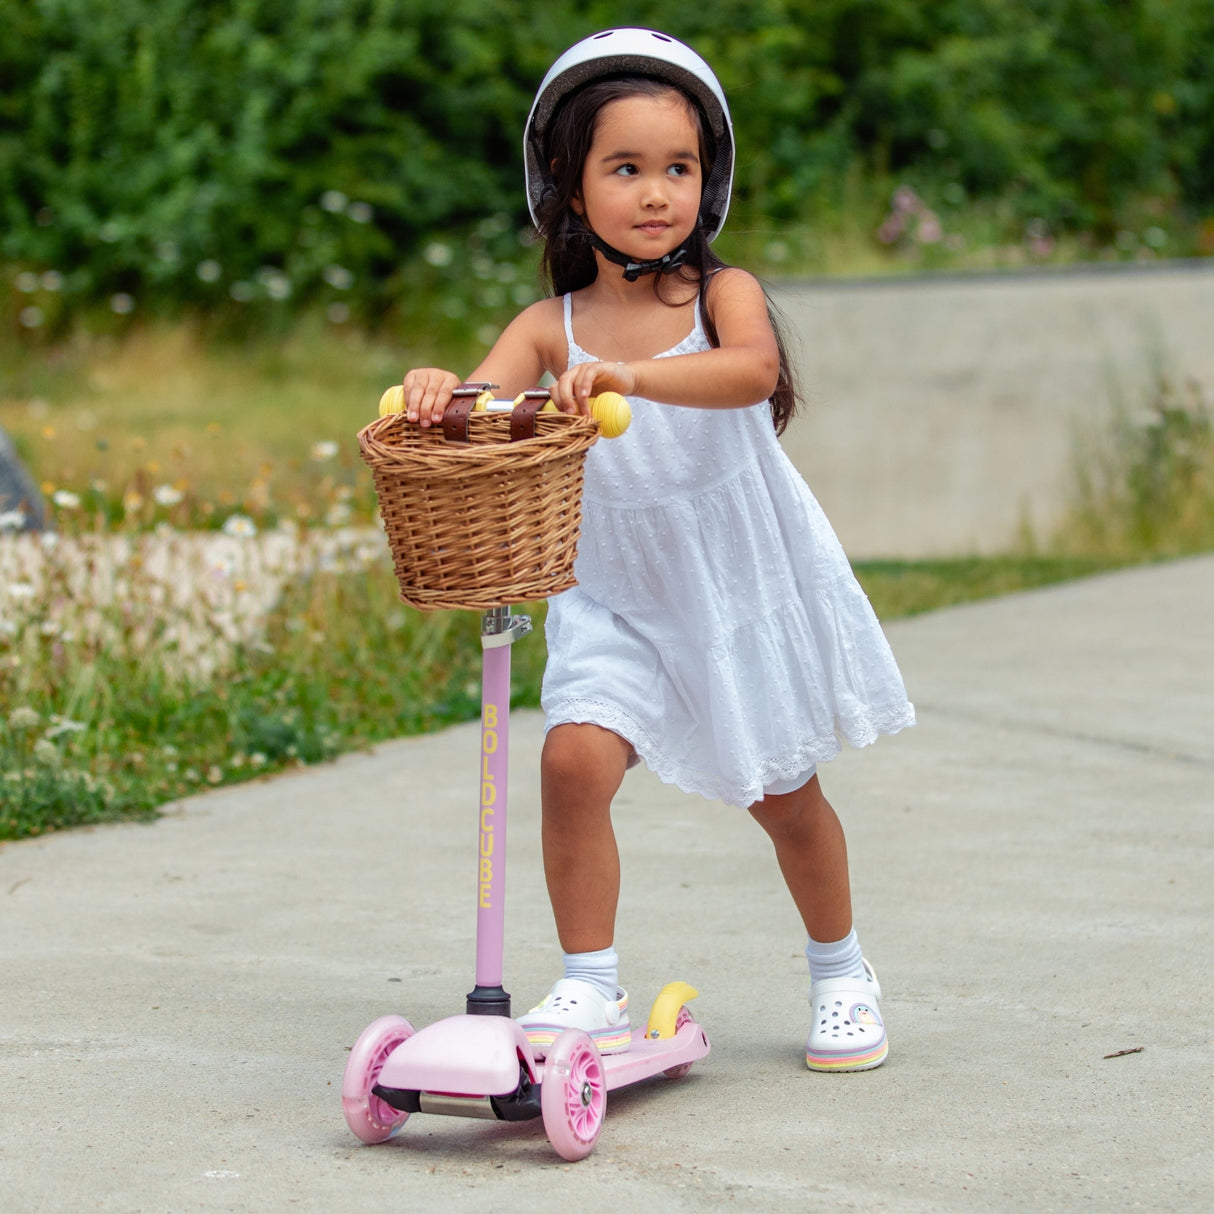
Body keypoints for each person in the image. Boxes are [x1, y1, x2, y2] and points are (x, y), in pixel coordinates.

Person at [400, 28, 915, 1072]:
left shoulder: (719, 296)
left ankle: (840, 969)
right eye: (625, 168)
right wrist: (438, 394)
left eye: (677, 168)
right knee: (570, 763)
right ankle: (590, 980)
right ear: (568, 187)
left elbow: (749, 371)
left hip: (731, 584)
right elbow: (481, 410)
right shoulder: (549, 326)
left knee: (783, 796)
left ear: (706, 183)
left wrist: (632, 379)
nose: (654, 193)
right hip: (613, 591)